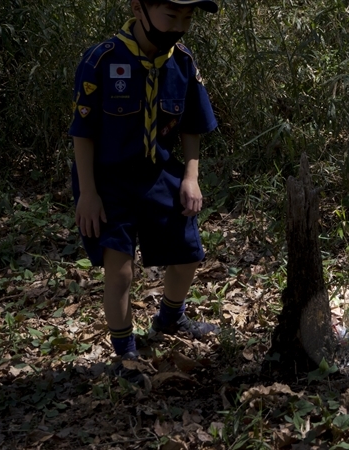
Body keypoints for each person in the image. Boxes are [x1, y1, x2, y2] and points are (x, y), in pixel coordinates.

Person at [69, 0, 220, 377]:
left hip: (160, 174)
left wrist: (191, 176)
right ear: (139, 9)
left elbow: (191, 126)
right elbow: (83, 134)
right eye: (172, 15)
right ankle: (125, 351)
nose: (181, 25)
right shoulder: (101, 60)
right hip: (109, 182)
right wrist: (88, 193)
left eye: (188, 17)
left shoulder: (181, 61)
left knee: (188, 253)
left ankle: (170, 317)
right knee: (119, 271)